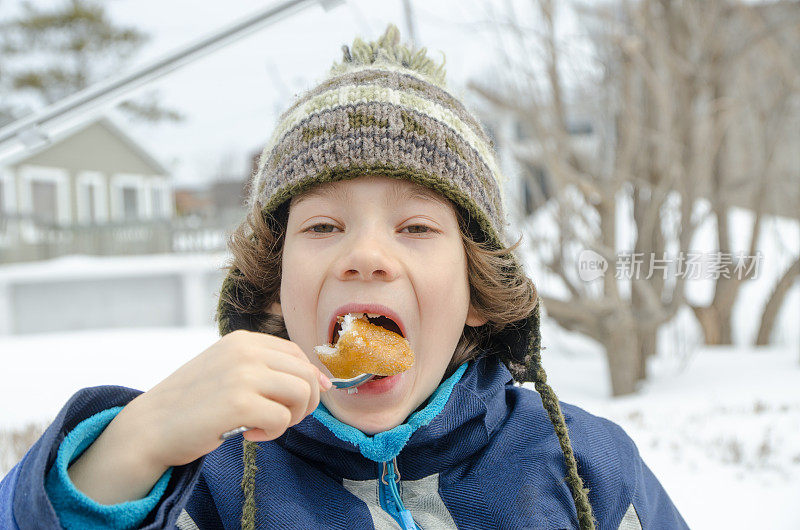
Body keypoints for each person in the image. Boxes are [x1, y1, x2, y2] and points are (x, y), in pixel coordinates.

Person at [0, 25, 688, 530]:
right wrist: (134, 445)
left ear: (479, 293)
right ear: (273, 288)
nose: (368, 255)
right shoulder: (203, 487)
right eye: (323, 227)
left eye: (416, 228)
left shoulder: (587, 469)